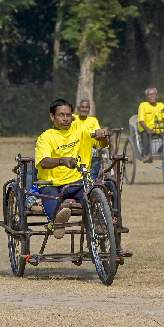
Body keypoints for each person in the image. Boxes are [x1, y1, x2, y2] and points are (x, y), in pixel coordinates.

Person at [35, 99, 110, 239]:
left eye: (68, 115)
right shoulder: (45, 137)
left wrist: (103, 136)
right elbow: (44, 162)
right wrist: (62, 160)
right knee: (50, 198)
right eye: (61, 115)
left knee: (94, 194)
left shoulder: (81, 130)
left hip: (78, 182)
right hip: (52, 184)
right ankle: (57, 222)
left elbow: (102, 145)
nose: (65, 119)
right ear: (52, 117)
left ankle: (100, 220)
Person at [137, 87, 164, 163]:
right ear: (147, 97)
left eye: (154, 94)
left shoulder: (161, 105)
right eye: (150, 95)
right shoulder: (143, 105)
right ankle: (146, 155)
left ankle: (163, 152)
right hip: (146, 129)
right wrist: (148, 129)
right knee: (146, 135)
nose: (152, 96)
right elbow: (141, 121)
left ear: (157, 96)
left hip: (159, 130)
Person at [73, 99, 102, 178]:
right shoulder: (73, 119)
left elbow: (98, 132)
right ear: (78, 108)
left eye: (86, 107)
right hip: (75, 151)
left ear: (89, 109)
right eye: (82, 107)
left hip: (91, 150)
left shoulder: (93, 120)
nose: (84, 109)